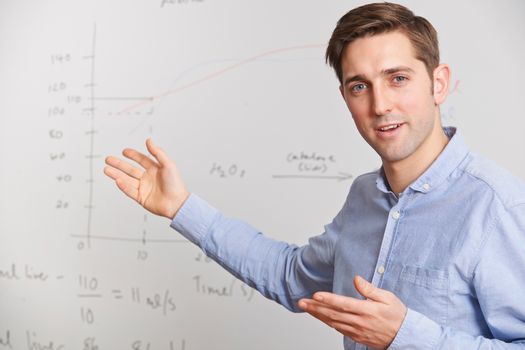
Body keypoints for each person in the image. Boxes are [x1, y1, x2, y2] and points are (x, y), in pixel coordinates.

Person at [104, 2, 525, 349]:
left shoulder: (496, 206)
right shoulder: (365, 197)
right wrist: (182, 208)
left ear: (438, 83)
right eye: (360, 86)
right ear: (345, 96)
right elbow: (293, 277)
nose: (380, 105)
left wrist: (407, 336)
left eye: (398, 79)